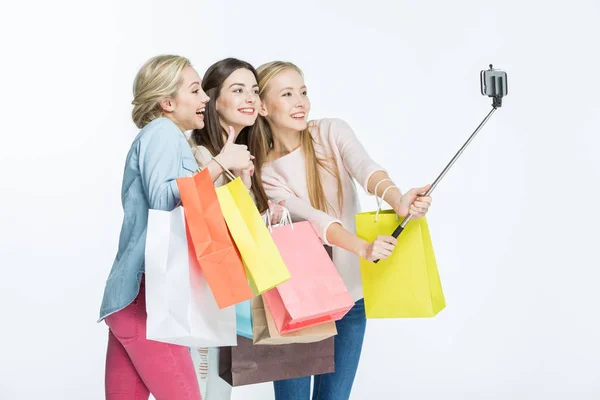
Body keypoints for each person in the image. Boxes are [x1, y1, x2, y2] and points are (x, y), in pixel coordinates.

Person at [256, 61, 433, 400]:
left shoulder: (330, 132)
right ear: (263, 106)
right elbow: (316, 222)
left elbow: (366, 169)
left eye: (303, 92)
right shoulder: (265, 173)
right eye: (287, 94)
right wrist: (363, 248)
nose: (300, 102)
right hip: (298, 305)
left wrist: (398, 200)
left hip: (351, 299)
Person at [98, 54, 251, 400]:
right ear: (167, 102)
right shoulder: (162, 132)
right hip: (145, 299)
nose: (205, 99)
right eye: (195, 91)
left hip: (129, 300)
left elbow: (186, 203)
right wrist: (219, 164)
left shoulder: (166, 137)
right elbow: (162, 201)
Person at [186, 57, 285, 399]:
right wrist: (226, 169)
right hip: (201, 297)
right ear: (212, 100)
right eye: (237, 89)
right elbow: (198, 219)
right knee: (200, 390)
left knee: (219, 391)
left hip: (229, 299)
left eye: (254, 91)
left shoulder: (247, 156)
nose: (249, 99)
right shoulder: (199, 155)